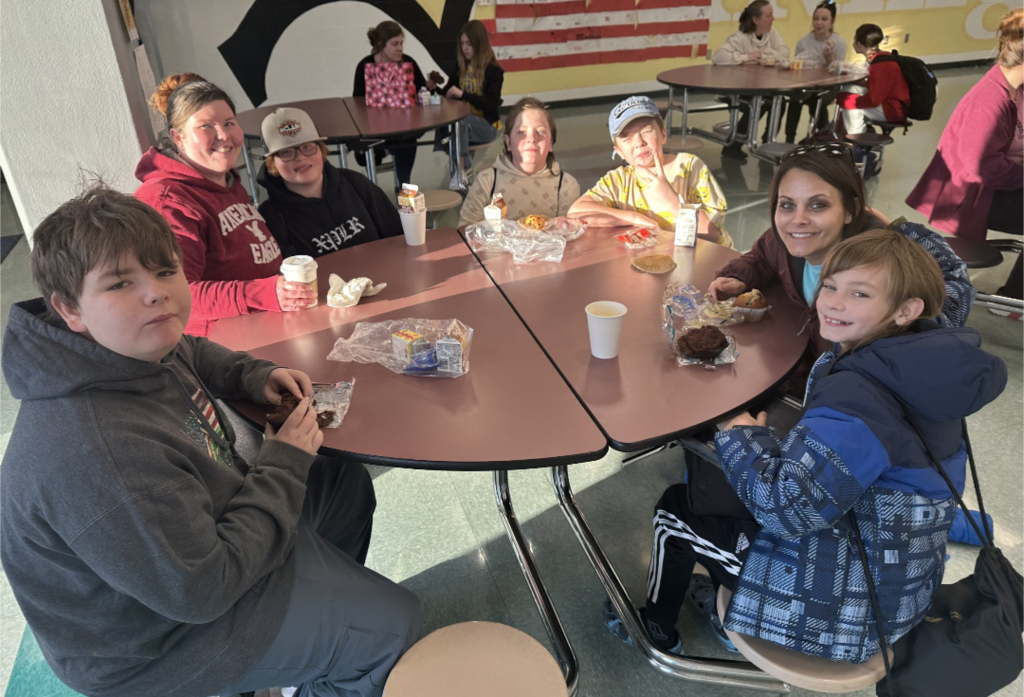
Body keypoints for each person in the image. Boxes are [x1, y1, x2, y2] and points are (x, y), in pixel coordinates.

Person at [0, 185, 421, 697]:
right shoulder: (96, 451)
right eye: (118, 284)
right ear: (70, 309)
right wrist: (283, 462)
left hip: (205, 547)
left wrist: (251, 374)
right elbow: (201, 590)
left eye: (164, 270)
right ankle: (324, 648)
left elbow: (192, 350)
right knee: (394, 633)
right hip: (163, 644)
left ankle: (308, 643)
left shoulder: (128, 343)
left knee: (342, 485)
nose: (155, 293)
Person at [610, 229, 1007, 661]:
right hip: (897, 583)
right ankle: (730, 591)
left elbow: (786, 510)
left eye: (859, 294)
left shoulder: (861, 399)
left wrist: (739, 433)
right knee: (735, 491)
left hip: (841, 610)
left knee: (675, 512)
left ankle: (657, 627)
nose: (834, 302)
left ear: (906, 309)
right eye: (831, 286)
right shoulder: (919, 367)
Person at [709, 143, 974, 371]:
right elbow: (760, 257)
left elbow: (948, 297)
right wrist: (738, 276)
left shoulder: (876, 271)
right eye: (787, 205)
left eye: (818, 205)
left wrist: (900, 229)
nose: (798, 220)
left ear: (851, 210)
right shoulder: (780, 243)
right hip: (786, 365)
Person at [135, 73, 316, 338]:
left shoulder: (226, 182)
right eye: (206, 126)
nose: (223, 135)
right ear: (178, 137)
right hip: (225, 348)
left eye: (229, 122)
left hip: (269, 326)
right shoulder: (166, 202)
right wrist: (264, 294)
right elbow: (174, 294)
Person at [906, 8, 1024, 245]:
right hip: (975, 197)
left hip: (1003, 183)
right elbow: (984, 168)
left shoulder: (1017, 89)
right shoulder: (988, 102)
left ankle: (1015, 284)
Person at [568, 96, 733, 248]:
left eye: (646, 131)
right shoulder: (618, 180)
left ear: (663, 134)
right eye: (627, 138)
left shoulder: (689, 167)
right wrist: (634, 218)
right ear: (619, 151)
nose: (639, 142)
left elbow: (713, 233)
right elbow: (576, 211)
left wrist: (671, 200)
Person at [257, 107, 403, 257]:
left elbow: (398, 238)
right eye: (286, 152)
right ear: (272, 163)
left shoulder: (356, 185)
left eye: (307, 146)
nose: (300, 157)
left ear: (321, 150)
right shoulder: (271, 217)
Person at [459, 97, 580, 226]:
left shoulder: (566, 186)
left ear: (551, 142)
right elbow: (465, 231)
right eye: (521, 132)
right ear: (508, 142)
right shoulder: (487, 182)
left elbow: (569, 236)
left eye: (540, 131)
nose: (531, 138)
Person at [352, 21, 437, 188]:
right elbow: (357, 101)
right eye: (395, 44)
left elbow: (422, 90)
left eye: (401, 43)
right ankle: (389, 153)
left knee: (408, 138)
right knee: (362, 156)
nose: (400, 48)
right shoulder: (365, 66)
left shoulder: (408, 64)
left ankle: (404, 186)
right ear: (380, 45)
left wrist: (431, 88)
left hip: (404, 126)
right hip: (376, 126)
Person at [712, 0, 790, 158]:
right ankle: (734, 145)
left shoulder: (772, 34)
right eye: (769, 15)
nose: (773, 18)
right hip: (738, 88)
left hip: (763, 85)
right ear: (756, 19)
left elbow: (784, 52)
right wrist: (746, 57)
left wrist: (762, 55)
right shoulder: (740, 37)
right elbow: (718, 57)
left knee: (779, 102)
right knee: (758, 104)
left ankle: (768, 142)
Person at [437, 20, 505, 189]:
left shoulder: (494, 71)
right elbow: (449, 91)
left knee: (460, 121)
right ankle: (462, 171)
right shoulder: (461, 67)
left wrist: (464, 94)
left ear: (479, 44)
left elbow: (491, 104)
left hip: (487, 125)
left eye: (469, 44)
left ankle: (461, 170)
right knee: (451, 122)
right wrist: (435, 89)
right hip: (465, 124)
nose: (464, 48)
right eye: (462, 44)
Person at [785, 0, 848, 142]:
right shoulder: (804, 41)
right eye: (816, 18)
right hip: (807, 83)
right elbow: (797, 66)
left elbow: (837, 74)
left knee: (818, 100)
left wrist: (829, 58)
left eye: (824, 19)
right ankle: (789, 139)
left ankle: (822, 138)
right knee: (795, 96)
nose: (819, 23)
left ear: (833, 21)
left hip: (829, 86)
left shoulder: (839, 42)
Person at [835, 24, 910, 134]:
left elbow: (874, 99)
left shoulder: (880, 65)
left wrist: (847, 100)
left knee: (847, 100)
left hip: (893, 110)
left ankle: (856, 139)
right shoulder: (880, 58)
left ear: (859, 44)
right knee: (850, 89)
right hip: (892, 103)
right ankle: (859, 131)